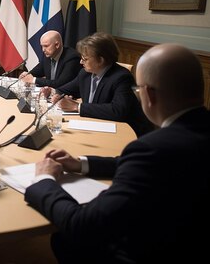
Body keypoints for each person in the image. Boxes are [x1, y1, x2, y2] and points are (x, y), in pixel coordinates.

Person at [25, 43, 210, 263]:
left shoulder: (151, 148)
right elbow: (141, 163)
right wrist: (82, 163)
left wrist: (44, 180)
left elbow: (84, 225)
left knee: (64, 239)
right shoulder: (185, 138)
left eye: (138, 90)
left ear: (148, 95)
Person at [43, 32, 154, 137]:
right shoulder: (85, 74)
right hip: (93, 126)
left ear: (100, 60)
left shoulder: (122, 77)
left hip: (123, 133)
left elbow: (118, 111)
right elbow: (66, 90)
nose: (81, 62)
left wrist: (77, 106)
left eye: (85, 59)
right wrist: (53, 91)